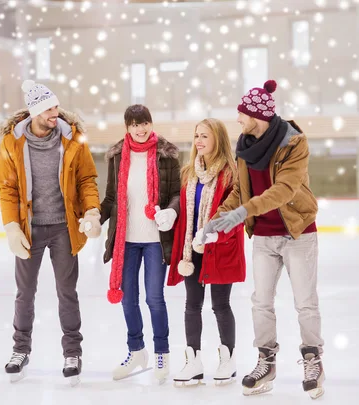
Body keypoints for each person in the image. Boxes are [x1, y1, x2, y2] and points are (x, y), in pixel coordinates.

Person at [202, 80, 325, 399]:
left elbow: (285, 189)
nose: (238, 120)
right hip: (265, 237)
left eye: (242, 114)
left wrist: (242, 212)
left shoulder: (294, 143)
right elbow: (243, 191)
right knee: (261, 302)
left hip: (297, 231)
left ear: (257, 116)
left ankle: (313, 359)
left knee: (305, 302)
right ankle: (266, 360)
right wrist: (219, 216)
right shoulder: (245, 145)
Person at [0, 80, 101, 386]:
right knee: (24, 293)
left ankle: (72, 353)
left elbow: (87, 180)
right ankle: (20, 351)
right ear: (35, 111)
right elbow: (7, 188)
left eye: (56, 106)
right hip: (30, 228)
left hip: (64, 228)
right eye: (49, 109)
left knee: (67, 293)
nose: (56, 113)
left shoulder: (72, 139)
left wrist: (92, 211)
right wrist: (11, 226)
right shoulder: (12, 143)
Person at [100, 104, 181, 383]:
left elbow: (175, 194)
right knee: (128, 300)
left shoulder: (166, 155)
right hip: (126, 241)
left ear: (151, 123)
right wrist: (92, 219)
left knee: (154, 299)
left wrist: (171, 211)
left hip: (155, 240)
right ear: (127, 128)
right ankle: (137, 352)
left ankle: (162, 353)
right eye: (134, 124)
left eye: (144, 122)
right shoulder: (116, 157)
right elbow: (111, 198)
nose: (140, 128)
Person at [167, 118, 246, 387]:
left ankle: (228, 358)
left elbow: (235, 214)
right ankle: (194, 361)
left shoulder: (230, 174)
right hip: (193, 249)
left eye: (205, 136)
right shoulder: (189, 172)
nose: (199, 141)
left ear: (218, 140)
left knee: (221, 305)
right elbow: (185, 208)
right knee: (192, 305)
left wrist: (213, 234)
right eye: (197, 136)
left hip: (220, 247)